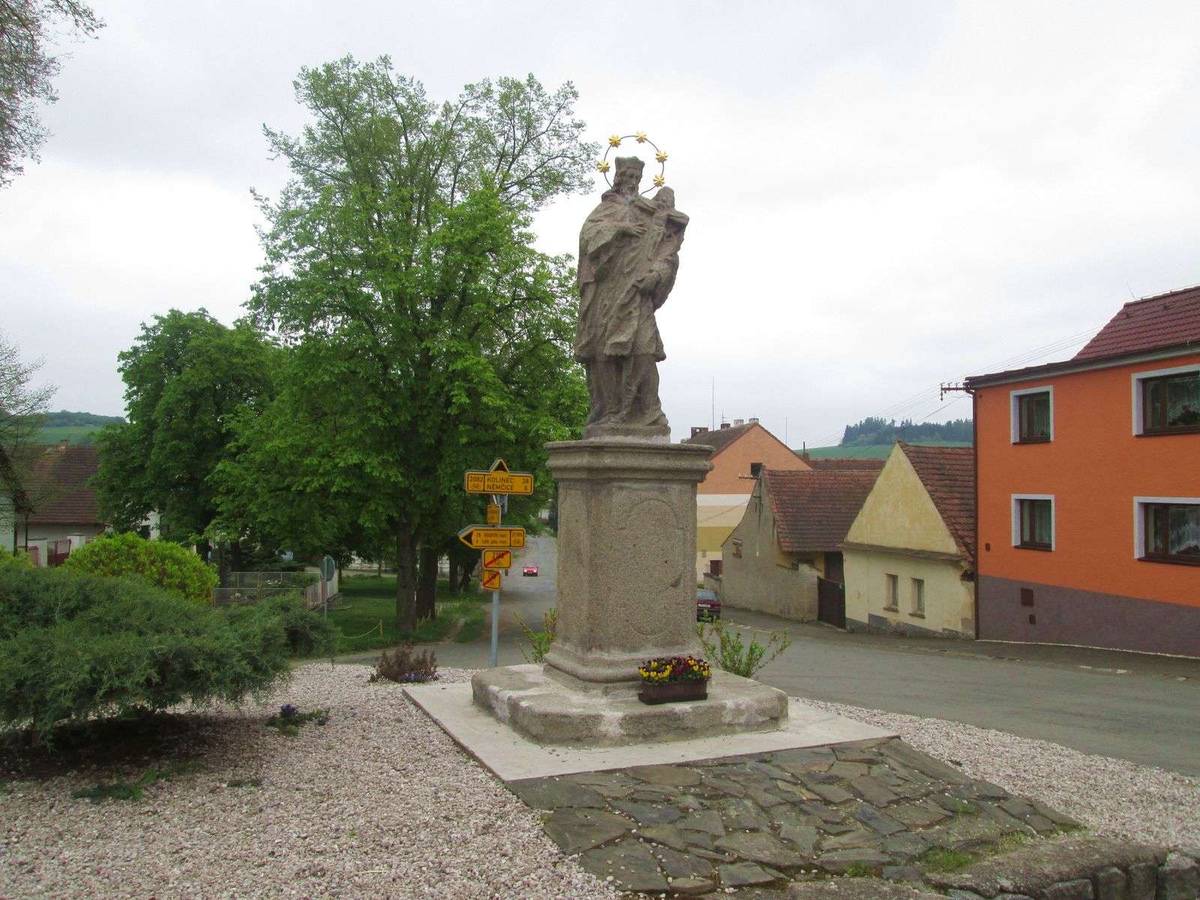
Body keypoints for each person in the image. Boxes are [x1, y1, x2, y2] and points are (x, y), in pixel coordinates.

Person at [574, 157, 688, 434]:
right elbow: (588, 238)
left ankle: (648, 412)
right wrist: (619, 229)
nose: (631, 181)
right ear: (617, 177)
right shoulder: (606, 208)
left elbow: (668, 253)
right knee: (604, 351)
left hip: (637, 293)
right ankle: (610, 410)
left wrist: (656, 276)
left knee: (644, 349)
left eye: (636, 177)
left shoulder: (650, 212)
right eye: (627, 176)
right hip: (607, 293)